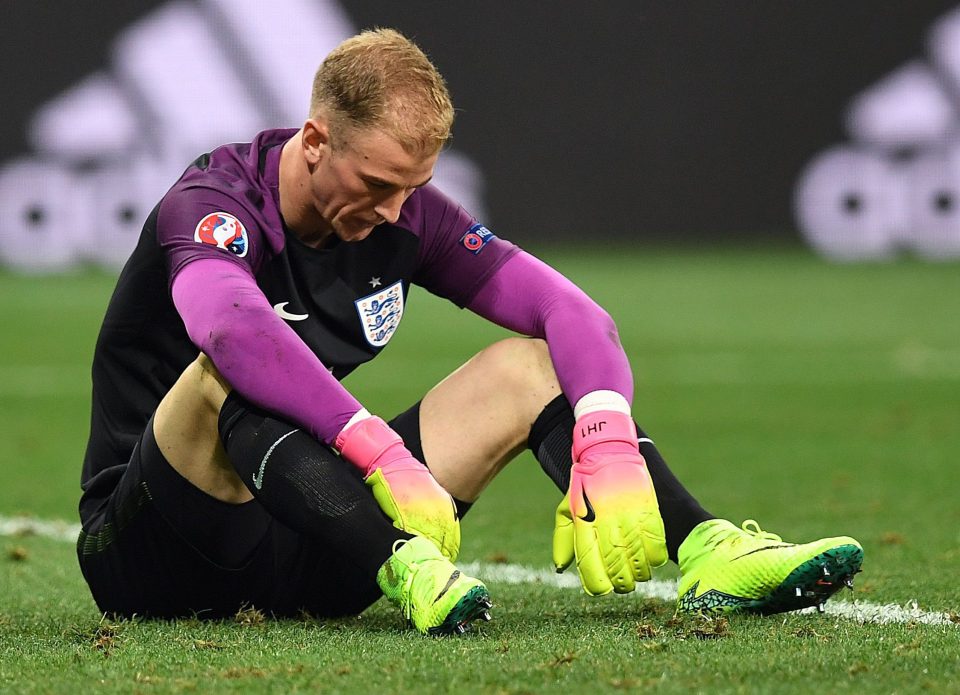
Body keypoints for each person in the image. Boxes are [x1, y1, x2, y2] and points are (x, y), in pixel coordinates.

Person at [77, 28, 862, 635]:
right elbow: (235, 328)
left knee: (531, 368)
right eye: (379, 184)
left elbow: (571, 313)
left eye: (413, 187)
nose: (394, 211)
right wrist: (380, 451)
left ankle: (710, 549)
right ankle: (400, 561)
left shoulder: (405, 214)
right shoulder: (213, 203)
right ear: (314, 141)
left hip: (306, 543)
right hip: (154, 554)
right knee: (227, 372)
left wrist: (608, 434)